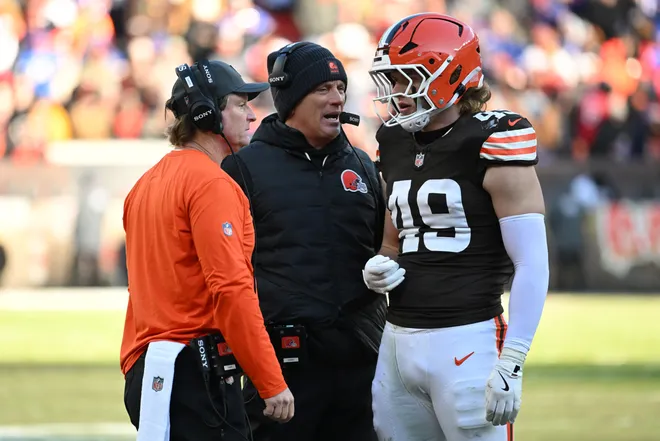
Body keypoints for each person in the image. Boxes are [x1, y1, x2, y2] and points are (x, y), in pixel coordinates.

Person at [362, 13, 550, 441]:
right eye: (390, 80)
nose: (396, 93)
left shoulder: (495, 138)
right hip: (396, 339)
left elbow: (532, 262)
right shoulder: (392, 139)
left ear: (451, 74)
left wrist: (514, 358)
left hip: (467, 338)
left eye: (407, 78)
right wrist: (379, 266)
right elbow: (393, 243)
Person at [120, 59, 294, 441]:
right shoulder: (211, 184)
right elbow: (231, 291)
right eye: (239, 104)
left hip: (150, 373)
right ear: (207, 114)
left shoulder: (144, 185)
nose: (251, 115)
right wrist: (269, 380)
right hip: (194, 373)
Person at [221, 42, 385, 441]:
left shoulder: (362, 164)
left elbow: (385, 249)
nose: (338, 98)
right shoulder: (244, 168)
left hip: (360, 362)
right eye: (323, 89)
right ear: (292, 99)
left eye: (340, 88)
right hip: (284, 365)